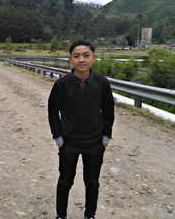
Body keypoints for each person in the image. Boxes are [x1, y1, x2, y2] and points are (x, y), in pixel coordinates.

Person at [48, 40, 115, 219]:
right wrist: (58, 138)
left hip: (95, 143)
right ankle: (60, 215)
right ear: (70, 59)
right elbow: (53, 111)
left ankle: (90, 215)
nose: (81, 60)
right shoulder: (62, 85)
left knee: (92, 182)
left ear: (93, 58)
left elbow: (108, 111)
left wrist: (106, 137)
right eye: (76, 56)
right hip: (68, 143)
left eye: (86, 55)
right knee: (65, 181)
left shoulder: (102, 84)